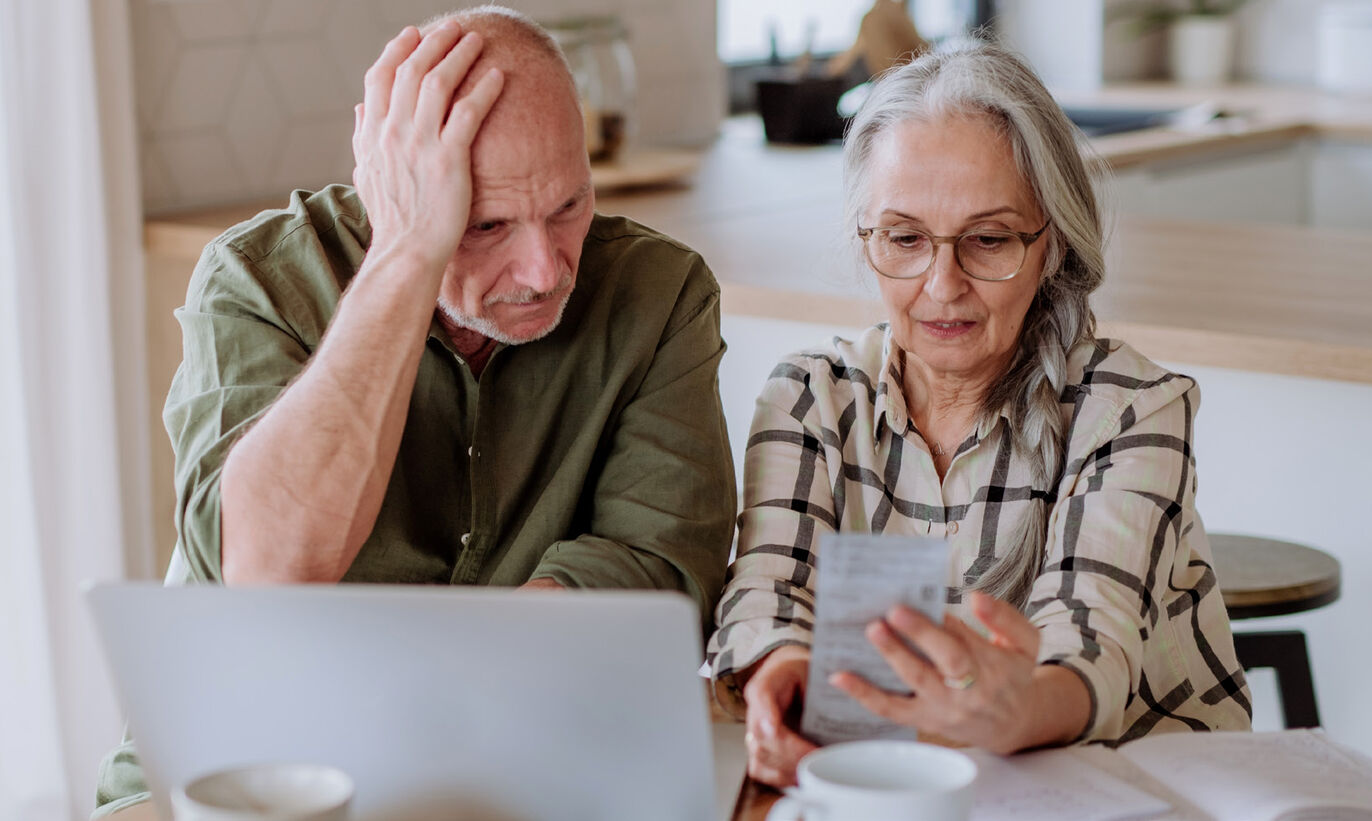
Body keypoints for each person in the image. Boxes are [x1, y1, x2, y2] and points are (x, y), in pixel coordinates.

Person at [94, 6, 736, 815]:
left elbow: (662, 569)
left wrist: (441, 699)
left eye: (569, 206)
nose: (542, 271)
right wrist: (408, 254)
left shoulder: (661, 294)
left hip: (519, 759)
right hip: (237, 775)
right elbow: (271, 573)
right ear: (390, 192)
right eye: (487, 224)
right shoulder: (256, 280)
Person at [706, 42, 1252, 787]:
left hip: (1137, 787)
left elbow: (1094, 643)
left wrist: (1015, 707)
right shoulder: (811, 396)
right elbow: (769, 589)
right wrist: (783, 670)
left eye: (988, 239)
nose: (941, 285)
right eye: (904, 238)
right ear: (867, 241)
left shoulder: (1130, 408)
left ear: (1050, 244)